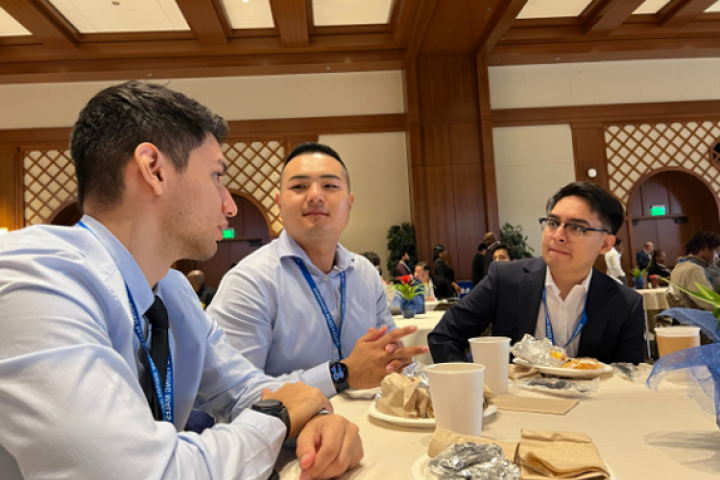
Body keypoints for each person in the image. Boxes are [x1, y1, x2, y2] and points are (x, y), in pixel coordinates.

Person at [0, 82, 362, 480]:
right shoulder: (33, 278)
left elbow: (245, 390)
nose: (228, 204)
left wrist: (316, 420)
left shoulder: (170, 292)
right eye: (216, 177)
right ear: (153, 170)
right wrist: (279, 416)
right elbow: (142, 473)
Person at [208, 142, 426, 399]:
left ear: (350, 202)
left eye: (330, 186)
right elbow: (232, 394)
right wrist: (341, 374)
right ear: (279, 202)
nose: (315, 195)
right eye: (299, 186)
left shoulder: (366, 274)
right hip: (290, 438)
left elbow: (391, 356)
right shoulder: (250, 282)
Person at [428, 181, 645, 365]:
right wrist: (474, 389)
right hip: (515, 409)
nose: (558, 235)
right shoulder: (505, 280)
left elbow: (628, 378)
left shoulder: (625, 304)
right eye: (553, 223)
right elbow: (444, 337)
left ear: (606, 244)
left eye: (576, 227)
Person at [670, 231, 720, 310]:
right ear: (705, 248)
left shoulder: (679, 266)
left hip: (688, 318)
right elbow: (709, 303)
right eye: (717, 251)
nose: (717, 257)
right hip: (702, 319)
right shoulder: (694, 270)